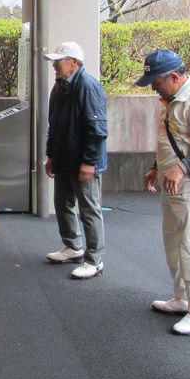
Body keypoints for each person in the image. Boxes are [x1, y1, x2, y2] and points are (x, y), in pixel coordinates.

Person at [136, 48, 190, 335]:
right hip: (173, 184)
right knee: (174, 242)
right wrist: (156, 167)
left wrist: (181, 168)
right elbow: (171, 139)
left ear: (173, 76)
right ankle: (183, 298)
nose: (153, 88)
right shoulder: (174, 99)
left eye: (156, 82)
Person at [43, 41, 108, 279]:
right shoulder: (59, 87)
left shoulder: (89, 86)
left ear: (73, 62)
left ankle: (94, 260)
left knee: (89, 209)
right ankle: (73, 246)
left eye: (58, 62)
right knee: (62, 203)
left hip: (83, 161)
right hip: (64, 158)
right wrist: (51, 156)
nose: (54, 66)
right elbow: (54, 125)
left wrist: (89, 162)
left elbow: (97, 129)